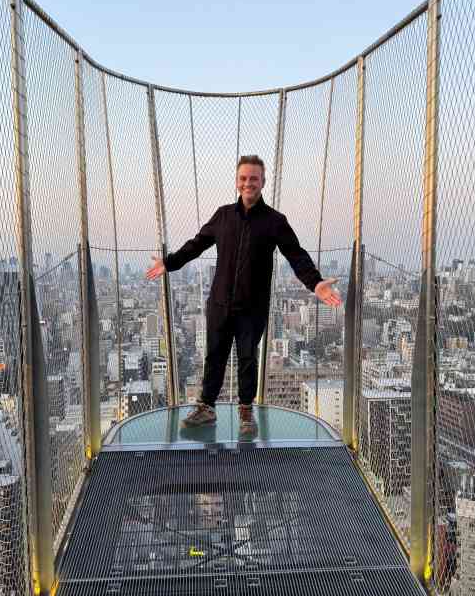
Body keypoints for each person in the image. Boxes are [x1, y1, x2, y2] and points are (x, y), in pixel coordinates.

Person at [146, 154, 342, 438]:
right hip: (219, 303)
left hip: (252, 307)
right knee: (215, 355)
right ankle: (206, 406)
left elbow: (296, 255)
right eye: (243, 178)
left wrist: (316, 284)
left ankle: (246, 410)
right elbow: (197, 245)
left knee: (248, 358)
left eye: (253, 178)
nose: (248, 183)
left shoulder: (275, 221)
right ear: (237, 182)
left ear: (263, 182)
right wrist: (169, 262)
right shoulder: (223, 215)